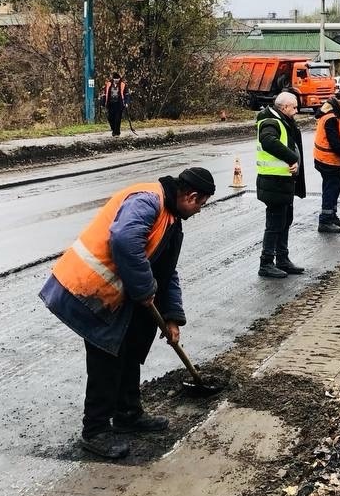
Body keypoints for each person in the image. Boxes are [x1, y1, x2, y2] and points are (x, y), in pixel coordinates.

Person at [39, 166, 216, 460]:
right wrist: (145, 288)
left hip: (117, 295)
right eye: (201, 205)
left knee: (131, 348)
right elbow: (123, 239)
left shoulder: (172, 219)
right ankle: (94, 430)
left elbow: (166, 270)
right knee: (106, 358)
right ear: (192, 196)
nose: (200, 211)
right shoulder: (147, 201)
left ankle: (128, 414)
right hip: (90, 289)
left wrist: (172, 316)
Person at [255, 90, 307, 278]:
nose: (297, 110)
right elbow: (268, 141)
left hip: (283, 182)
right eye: (294, 107)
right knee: (275, 224)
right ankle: (266, 263)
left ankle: (282, 259)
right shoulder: (271, 122)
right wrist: (292, 158)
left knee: (285, 221)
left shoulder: (283, 120)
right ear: (284, 107)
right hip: (273, 182)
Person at [313, 90, 340, 233]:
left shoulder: (335, 113)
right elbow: (335, 143)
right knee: (331, 189)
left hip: (328, 160)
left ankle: (332, 216)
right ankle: (325, 221)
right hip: (327, 160)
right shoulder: (331, 116)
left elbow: (338, 134)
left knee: (334, 187)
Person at [103, 72, 128, 137]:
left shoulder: (123, 84)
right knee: (110, 118)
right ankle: (114, 130)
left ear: (119, 79)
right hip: (110, 104)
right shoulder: (108, 84)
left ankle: (117, 133)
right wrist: (103, 102)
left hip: (119, 104)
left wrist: (126, 102)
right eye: (115, 79)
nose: (116, 80)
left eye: (118, 79)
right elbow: (105, 94)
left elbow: (126, 94)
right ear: (113, 79)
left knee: (117, 119)